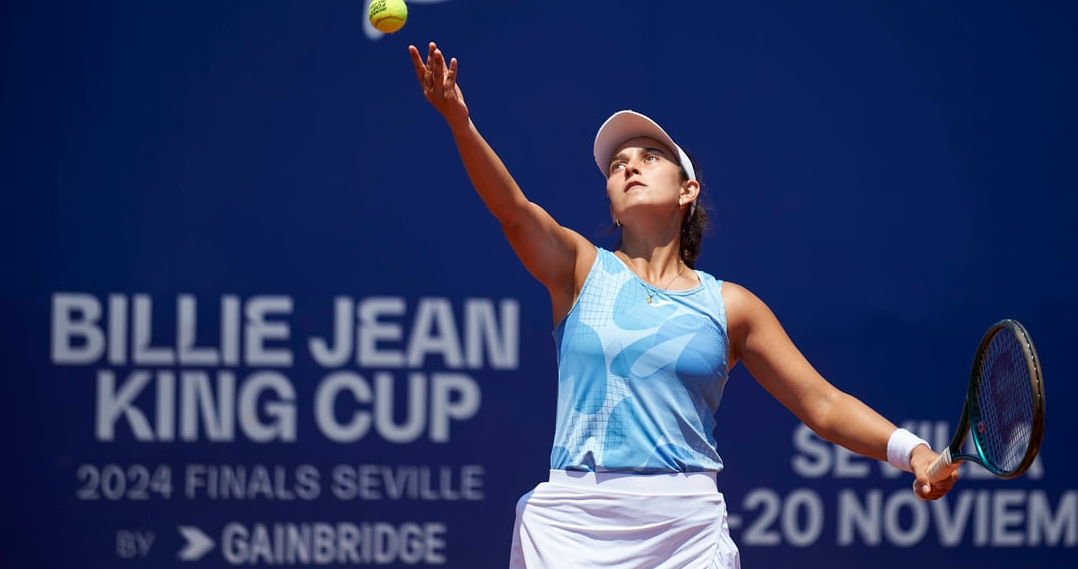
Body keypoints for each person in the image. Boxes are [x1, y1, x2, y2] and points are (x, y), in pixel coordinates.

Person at [407, 42, 960, 568]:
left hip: (684, 532)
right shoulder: (578, 269)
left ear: (687, 191)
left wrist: (912, 451)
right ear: (612, 206)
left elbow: (823, 404)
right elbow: (512, 210)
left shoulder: (731, 306)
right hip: (573, 525)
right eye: (617, 165)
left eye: (649, 158)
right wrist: (459, 121)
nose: (629, 167)